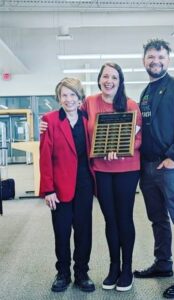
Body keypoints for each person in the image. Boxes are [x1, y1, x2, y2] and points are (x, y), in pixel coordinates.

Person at [133, 39, 174, 299]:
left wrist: (173, 158)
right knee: (157, 220)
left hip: (170, 166)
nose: (155, 61)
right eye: (151, 57)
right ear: (144, 61)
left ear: (168, 60)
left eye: (160, 57)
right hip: (147, 167)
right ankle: (163, 264)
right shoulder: (146, 92)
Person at [82, 62, 142, 292]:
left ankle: (127, 269)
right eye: (105, 76)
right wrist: (47, 122)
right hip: (101, 169)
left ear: (120, 81)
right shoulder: (89, 103)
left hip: (127, 168)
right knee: (110, 219)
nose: (109, 81)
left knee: (124, 217)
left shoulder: (130, 105)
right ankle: (113, 267)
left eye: (114, 77)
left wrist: (122, 146)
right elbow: (72, 122)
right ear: (99, 79)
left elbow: (139, 138)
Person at [39, 78, 95, 293]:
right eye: (64, 95)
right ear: (58, 97)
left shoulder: (88, 119)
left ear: (79, 97)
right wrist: (48, 189)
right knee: (62, 232)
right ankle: (63, 273)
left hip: (84, 184)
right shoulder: (49, 120)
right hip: (59, 185)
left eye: (73, 94)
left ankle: (82, 272)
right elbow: (45, 157)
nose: (69, 99)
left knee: (84, 231)